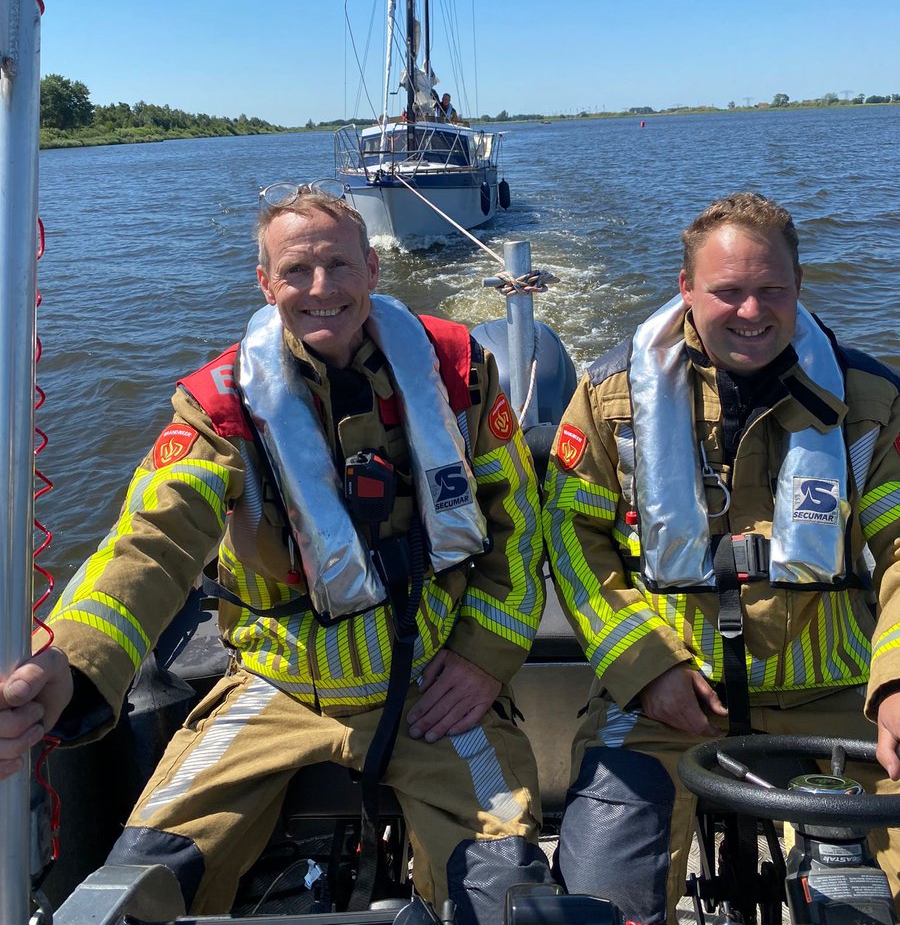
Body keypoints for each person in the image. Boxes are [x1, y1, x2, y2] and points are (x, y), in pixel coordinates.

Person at [0, 183, 552, 923]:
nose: (321, 288)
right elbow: (151, 542)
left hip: (434, 687)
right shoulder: (220, 406)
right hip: (276, 686)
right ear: (264, 283)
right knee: (138, 884)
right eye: (296, 271)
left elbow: (519, 528)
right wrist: (71, 664)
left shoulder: (460, 374)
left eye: (339, 266)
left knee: (505, 894)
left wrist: (483, 659)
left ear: (373, 271)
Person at [543, 191, 900, 924]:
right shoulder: (610, 401)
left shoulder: (870, 399)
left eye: (772, 290)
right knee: (597, 904)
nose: (751, 312)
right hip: (661, 704)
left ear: (799, 288)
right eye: (727, 291)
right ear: (686, 289)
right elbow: (571, 544)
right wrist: (646, 670)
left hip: (833, 702)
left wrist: (894, 686)